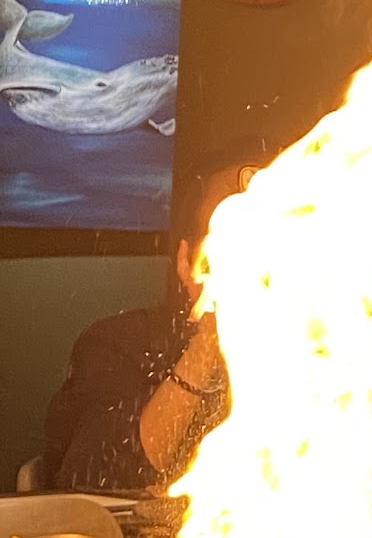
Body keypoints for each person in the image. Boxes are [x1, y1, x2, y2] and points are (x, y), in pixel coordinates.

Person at [42, 142, 269, 490]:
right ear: (188, 262)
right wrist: (208, 343)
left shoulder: (326, 360)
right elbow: (98, 487)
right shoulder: (119, 343)